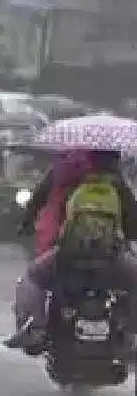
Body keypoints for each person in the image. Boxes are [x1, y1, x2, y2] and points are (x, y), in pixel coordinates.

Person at [8, 149, 137, 351]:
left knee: (33, 277)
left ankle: (37, 329)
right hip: (111, 258)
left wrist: (25, 225)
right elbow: (133, 225)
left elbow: (43, 205)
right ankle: (132, 331)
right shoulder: (118, 184)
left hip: (68, 256)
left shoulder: (67, 174)